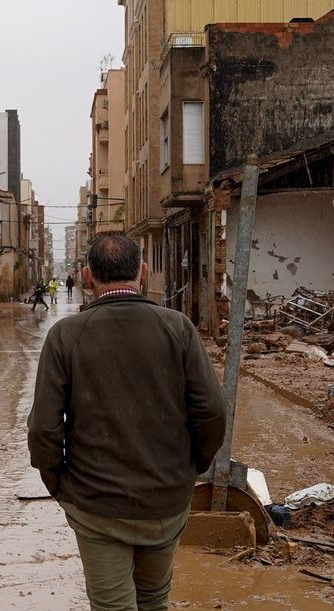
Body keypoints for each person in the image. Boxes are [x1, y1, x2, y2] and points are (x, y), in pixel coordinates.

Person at [28, 234, 227, 611]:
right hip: (166, 502)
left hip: (95, 506)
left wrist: (59, 484)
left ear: (88, 277)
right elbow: (213, 413)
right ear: (143, 273)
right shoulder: (178, 328)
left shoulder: (65, 336)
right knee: (154, 599)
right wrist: (189, 471)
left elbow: (43, 428)